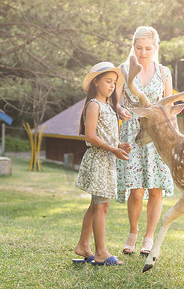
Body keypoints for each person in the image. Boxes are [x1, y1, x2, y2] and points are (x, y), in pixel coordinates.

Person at [116, 26, 176, 256]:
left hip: (157, 134)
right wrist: (120, 110)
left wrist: (174, 139)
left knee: (156, 189)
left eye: (148, 48)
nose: (143, 52)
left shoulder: (164, 72)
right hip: (132, 131)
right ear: (133, 47)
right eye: (139, 48)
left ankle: (149, 238)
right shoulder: (123, 69)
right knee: (137, 191)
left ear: (156, 48)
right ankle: (133, 232)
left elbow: (169, 108)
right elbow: (116, 102)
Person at [73, 61, 131, 266]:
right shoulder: (94, 105)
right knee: (102, 206)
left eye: (114, 82)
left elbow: (106, 134)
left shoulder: (108, 106)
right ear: (95, 82)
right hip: (99, 160)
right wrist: (113, 149)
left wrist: (119, 145)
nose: (112, 86)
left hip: (107, 159)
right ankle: (100, 253)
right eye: (108, 81)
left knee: (96, 205)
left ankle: (82, 245)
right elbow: (90, 135)